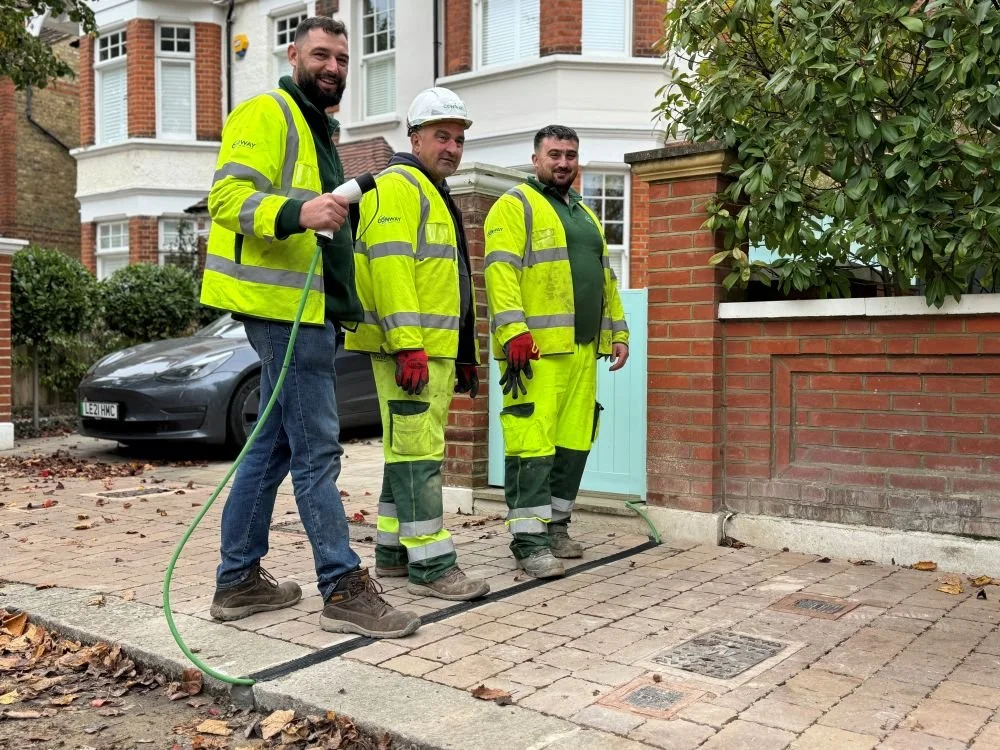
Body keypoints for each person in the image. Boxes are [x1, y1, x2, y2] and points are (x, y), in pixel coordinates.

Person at [200, 17, 419, 638]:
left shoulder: (319, 128)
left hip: (308, 311)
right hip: (282, 311)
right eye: (321, 54)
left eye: (342, 59)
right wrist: (301, 212)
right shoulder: (267, 112)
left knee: (272, 446)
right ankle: (343, 588)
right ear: (293, 54)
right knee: (317, 449)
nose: (333, 67)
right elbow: (226, 199)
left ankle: (238, 581)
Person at [344, 87, 489, 601]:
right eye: (441, 136)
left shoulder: (431, 192)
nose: (451, 148)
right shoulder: (398, 188)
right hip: (411, 352)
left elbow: (450, 281)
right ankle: (432, 564)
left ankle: (393, 552)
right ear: (415, 138)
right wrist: (408, 345)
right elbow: (391, 271)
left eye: (458, 140)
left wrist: (465, 354)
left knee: (406, 451)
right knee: (419, 455)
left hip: (432, 350)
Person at [483, 125, 630, 578]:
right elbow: (500, 271)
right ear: (536, 160)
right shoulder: (515, 206)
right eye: (554, 154)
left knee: (573, 443)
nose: (563, 162)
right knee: (532, 444)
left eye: (570, 154)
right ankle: (528, 542)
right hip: (535, 353)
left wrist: (619, 331)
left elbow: (606, 279)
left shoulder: (585, 213)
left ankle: (556, 527)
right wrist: (514, 332)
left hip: (582, 350)